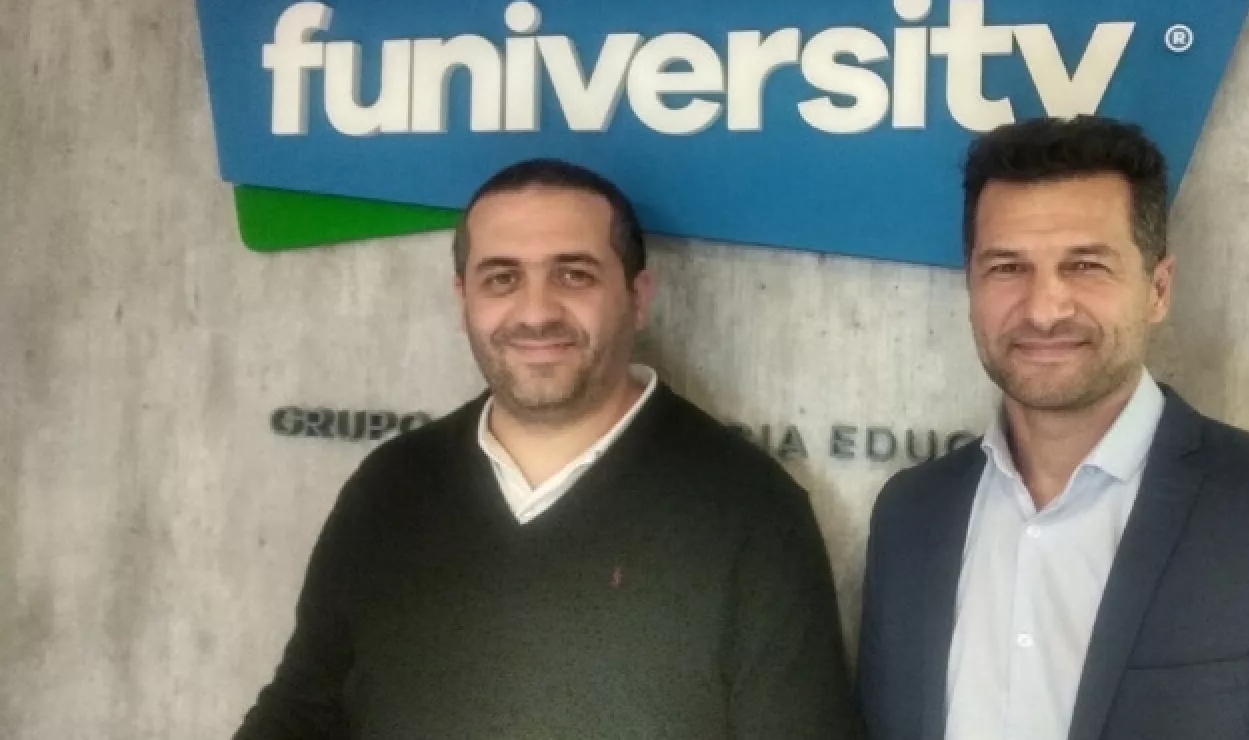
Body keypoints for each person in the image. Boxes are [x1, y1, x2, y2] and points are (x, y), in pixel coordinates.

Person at [236, 159, 860, 740]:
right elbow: (303, 708)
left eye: (573, 274)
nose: (536, 312)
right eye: (502, 278)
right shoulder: (391, 487)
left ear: (638, 297)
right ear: (463, 300)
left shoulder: (751, 510)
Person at [857, 116, 1249, 740]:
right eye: (1008, 268)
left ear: (1158, 289)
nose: (1044, 309)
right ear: (970, 287)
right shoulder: (911, 517)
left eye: (1086, 265)